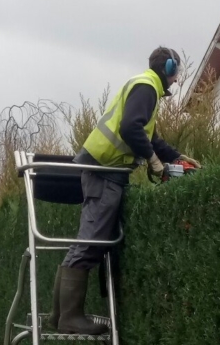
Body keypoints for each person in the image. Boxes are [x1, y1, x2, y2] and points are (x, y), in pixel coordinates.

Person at [49, 46, 201, 335]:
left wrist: (177, 157)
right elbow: (132, 128)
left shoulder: (144, 87)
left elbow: (149, 137)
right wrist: (155, 164)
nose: (177, 80)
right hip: (106, 171)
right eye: (176, 73)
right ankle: (69, 318)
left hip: (100, 169)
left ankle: (58, 317)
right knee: (90, 244)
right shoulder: (147, 88)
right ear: (168, 69)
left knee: (85, 242)